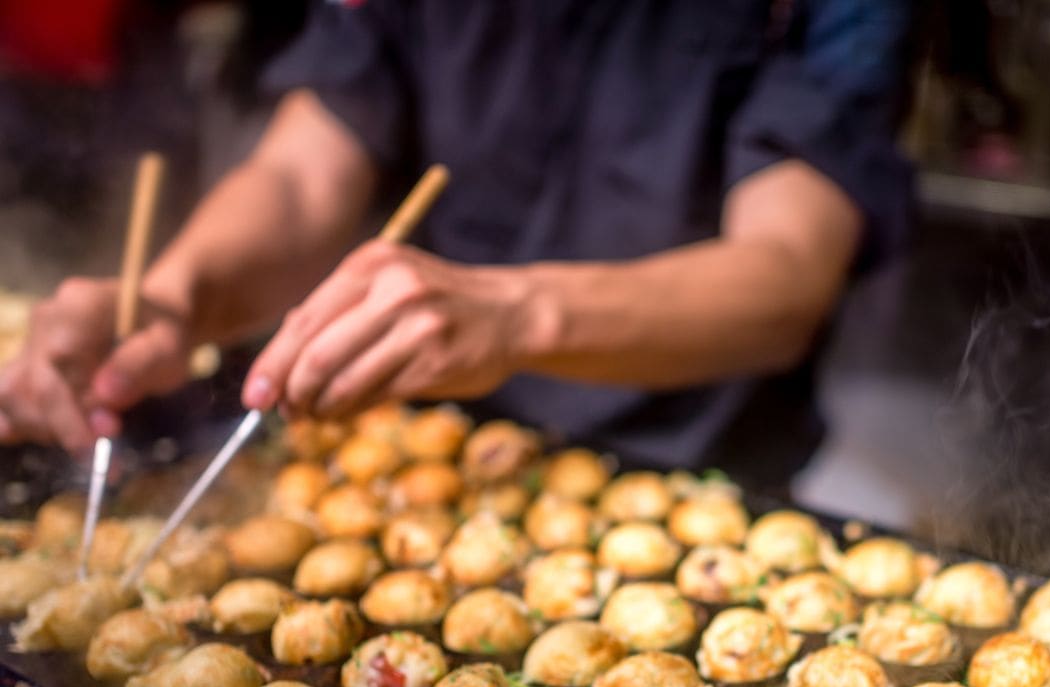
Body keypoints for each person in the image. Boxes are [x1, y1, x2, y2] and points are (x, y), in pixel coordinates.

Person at [0, 0, 913, 487]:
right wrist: (172, 299)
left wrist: (512, 313)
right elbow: (306, 169)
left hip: (693, 463)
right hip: (433, 452)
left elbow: (788, 274)